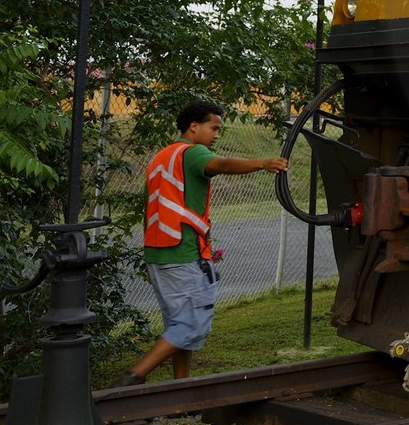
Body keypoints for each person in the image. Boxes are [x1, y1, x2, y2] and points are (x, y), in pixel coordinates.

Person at [115, 100, 288, 385]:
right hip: (184, 254)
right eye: (213, 127)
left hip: (158, 254)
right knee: (190, 324)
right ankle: (133, 377)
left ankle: (180, 389)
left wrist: (151, 260)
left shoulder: (161, 157)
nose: (217, 135)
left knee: (179, 325)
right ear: (193, 127)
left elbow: (150, 210)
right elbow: (219, 164)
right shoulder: (193, 153)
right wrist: (263, 163)